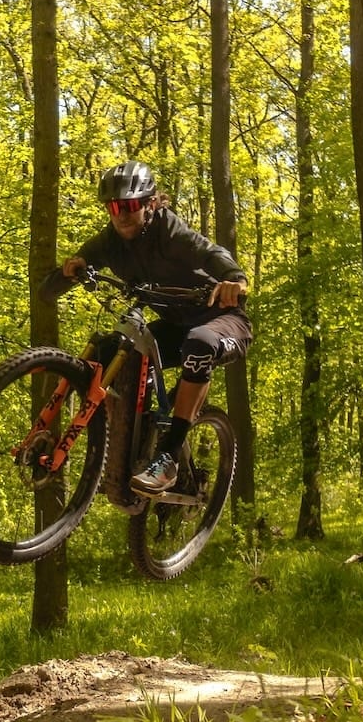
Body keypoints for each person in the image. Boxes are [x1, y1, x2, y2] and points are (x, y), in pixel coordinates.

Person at [38, 161, 250, 497]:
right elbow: (48, 291)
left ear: (150, 203)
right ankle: (123, 447)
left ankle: (168, 457)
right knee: (111, 352)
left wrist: (234, 279)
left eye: (130, 205)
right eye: (114, 207)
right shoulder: (110, 243)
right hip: (175, 326)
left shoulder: (169, 231)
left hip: (222, 320)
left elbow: (209, 252)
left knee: (198, 344)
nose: (122, 214)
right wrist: (68, 273)